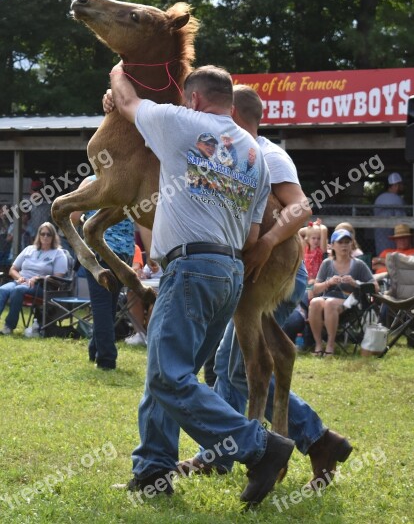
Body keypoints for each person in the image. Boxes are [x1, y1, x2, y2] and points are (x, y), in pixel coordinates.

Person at [108, 63, 294, 506]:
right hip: (229, 274)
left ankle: (259, 446)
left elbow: (129, 103)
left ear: (193, 99)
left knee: (168, 375)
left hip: (190, 268)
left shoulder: (181, 123)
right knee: (168, 372)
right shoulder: (254, 152)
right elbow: (252, 238)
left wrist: (118, 69)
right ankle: (153, 471)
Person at [180, 86, 352, 490]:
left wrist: (267, 243)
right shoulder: (234, 152)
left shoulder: (266, 153)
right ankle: (298, 442)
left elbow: (301, 207)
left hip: (275, 268)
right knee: (239, 364)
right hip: (261, 268)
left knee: (236, 368)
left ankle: (289, 443)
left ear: (234, 113)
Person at [71, 176, 135, 370]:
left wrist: (84, 219)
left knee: (101, 306)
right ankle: (94, 349)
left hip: (99, 250)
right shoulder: (131, 182)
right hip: (125, 254)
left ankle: (107, 358)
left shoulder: (91, 181)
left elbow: (73, 216)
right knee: (109, 305)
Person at [309, 228, 378, 356]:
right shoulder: (326, 264)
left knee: (329, 303)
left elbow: (375, 287)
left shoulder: (359, 265)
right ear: (333, 245)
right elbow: (315, 289)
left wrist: (355, 283)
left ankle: (330, 345)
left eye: (347, 242)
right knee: (314, 302)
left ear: (351, 244)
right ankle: (318, 345)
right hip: (328, 298)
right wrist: (328, 283)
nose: (344, 245)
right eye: (340, 242)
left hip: (350, 303)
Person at [0, 222, 67, 335]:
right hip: (21, 281)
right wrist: (20, 277)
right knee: (2, 290)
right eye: (42, 234)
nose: (45, 237)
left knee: (18, 290)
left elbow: (58, 278)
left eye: (48, 234)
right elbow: (13, 269)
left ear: (53, 236)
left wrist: (39, 278)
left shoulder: (58, 253)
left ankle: (8, 327)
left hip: (41, 287)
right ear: (38, 235)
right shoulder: (29, 249)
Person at [374, 172, 406, 255]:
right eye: (401, 185)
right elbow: (402, 221)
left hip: (379, 235)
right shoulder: (397, 199)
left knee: (382, 257)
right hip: (393, 237)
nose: (402, 187)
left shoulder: (379, 198)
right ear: (396, 185)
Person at [300, 219, 328, 287]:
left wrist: (319, 226)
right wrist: (310, 227)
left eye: (319, 238)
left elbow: (324, 229)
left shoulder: (320, 250)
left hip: (317, 282)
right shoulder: (305, 248)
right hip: (305, 281)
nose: (316, 241)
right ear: (308, 239)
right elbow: (299, 232)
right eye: (313, 238)